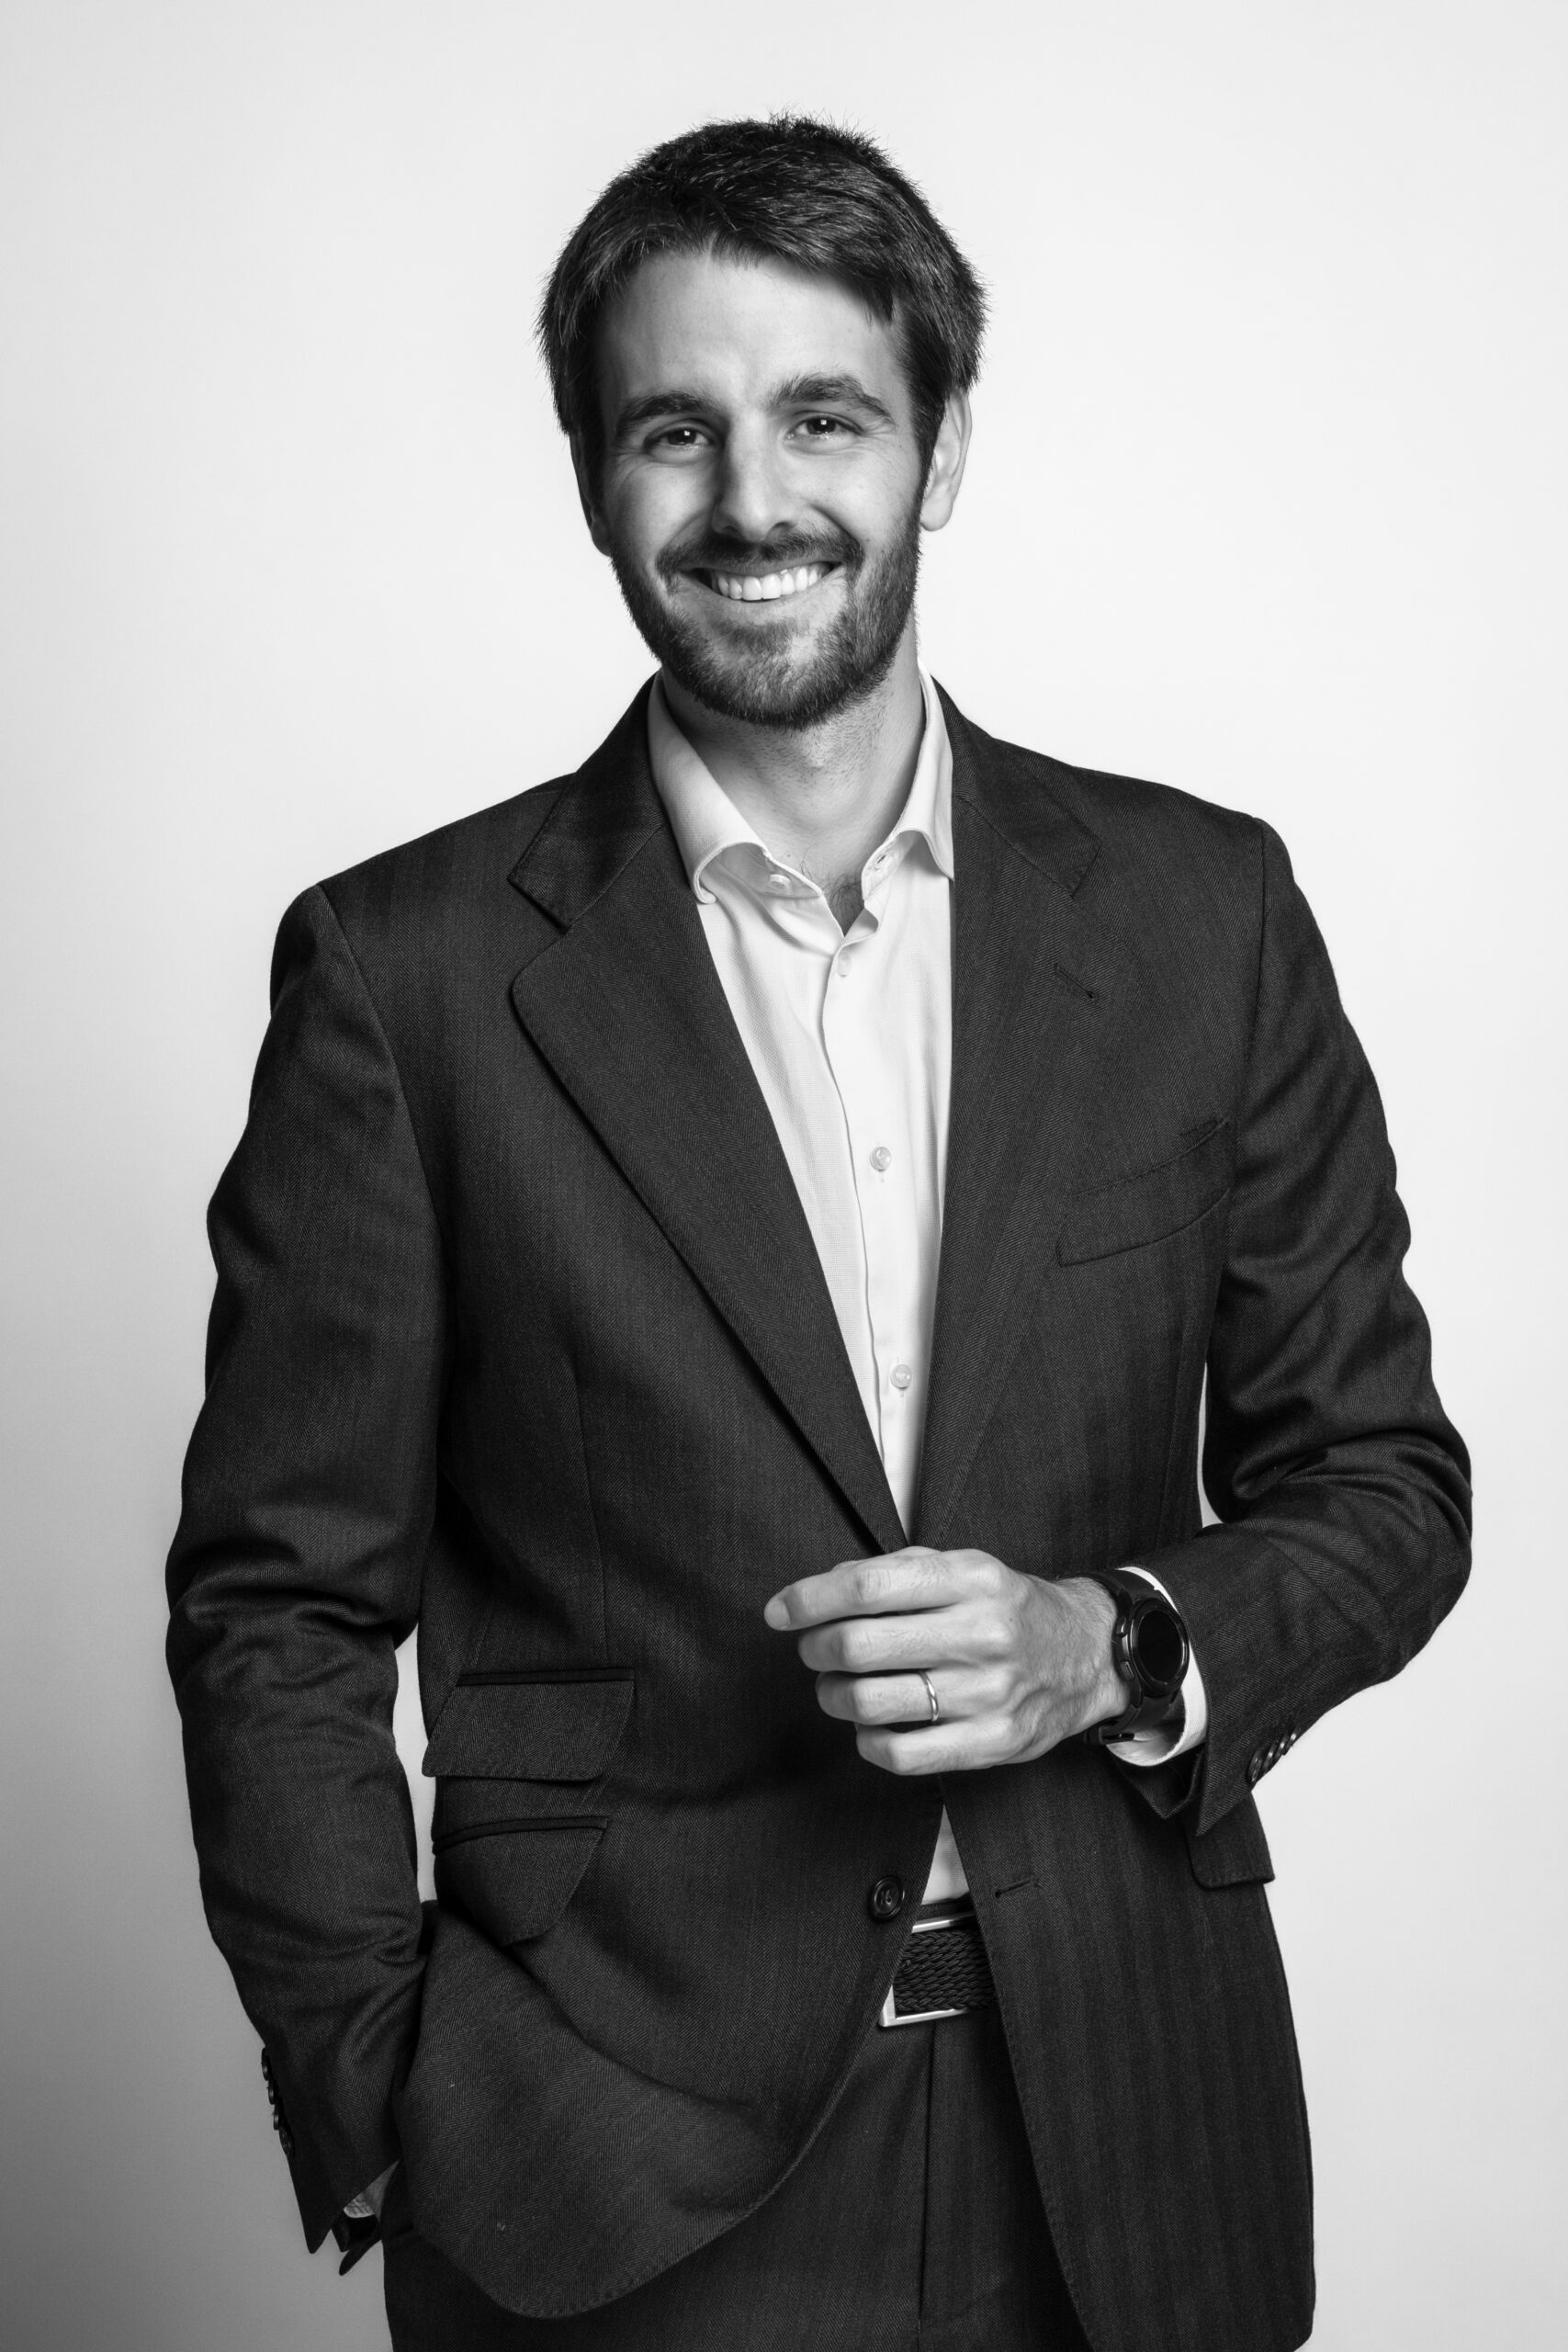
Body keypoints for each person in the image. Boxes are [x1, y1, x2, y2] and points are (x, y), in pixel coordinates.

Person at [166, 117, 1471, 2352]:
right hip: (604, 2171)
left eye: (824, 418)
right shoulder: (403, 979)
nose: (750, 500)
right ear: (592, 476)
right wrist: (381, 2088)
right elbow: (276, 1603)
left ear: (937, 451)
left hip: (1130, 2135)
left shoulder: (1200, 916)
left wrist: (1105, 1641)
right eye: (674, 428)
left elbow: (1380, 1485)